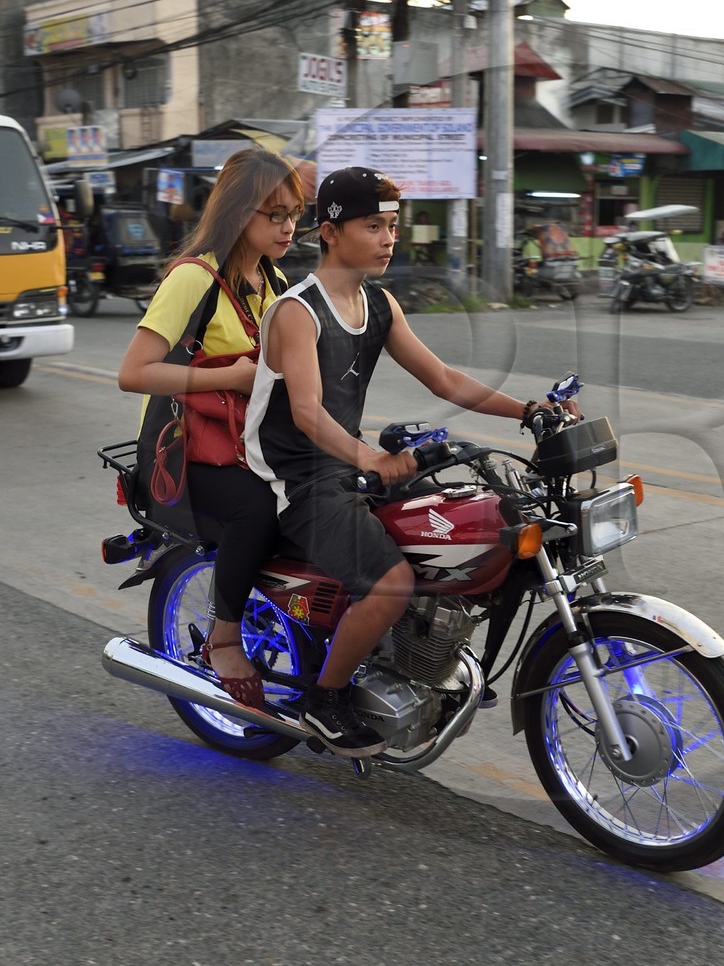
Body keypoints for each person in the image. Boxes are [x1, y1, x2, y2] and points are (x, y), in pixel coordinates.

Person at [243, 166, 578, 758]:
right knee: (391, 583)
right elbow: (306, 413)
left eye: (393, 226)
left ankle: (419, 660)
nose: (388, 239)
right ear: (330, 232)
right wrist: (371, 457)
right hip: (295, 478)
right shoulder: (298, 311)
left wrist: (529, 410)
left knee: (455, 534)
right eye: (373, 226)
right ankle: (325, 699)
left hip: (346, 465)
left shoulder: (378, 303)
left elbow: (443, 378)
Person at [117, 147, 307, 706]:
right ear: (239, 212)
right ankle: (223, 639)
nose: (289, 227)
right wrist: (233, 376)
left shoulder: (273, 279)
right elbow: (134, 373)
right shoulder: (193, 278)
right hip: (187, 455)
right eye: (275, 214)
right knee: (258, 509)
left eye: (295, 214)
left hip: (252, 443)